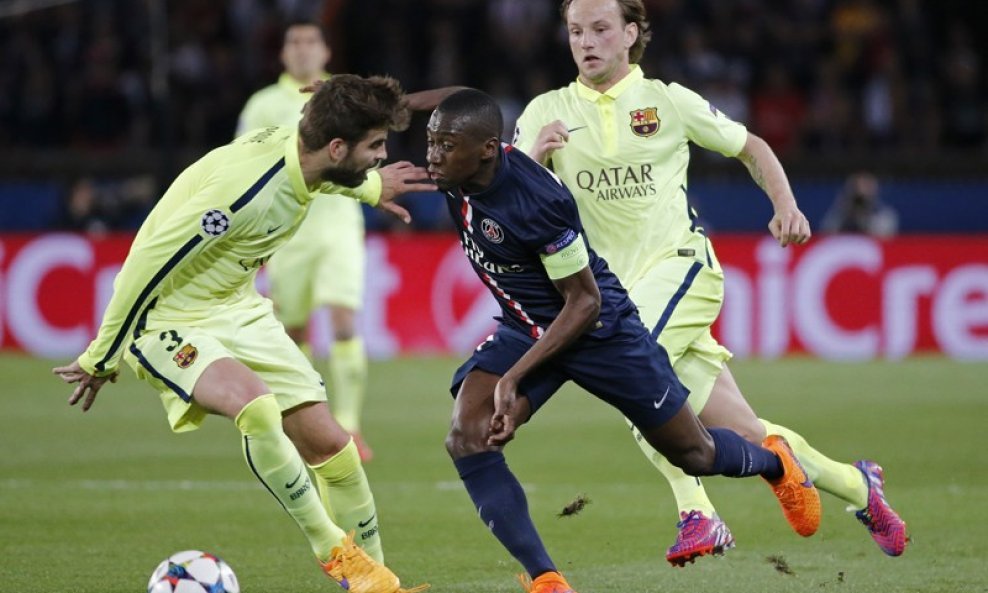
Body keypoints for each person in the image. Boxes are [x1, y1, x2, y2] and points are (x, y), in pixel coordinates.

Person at [512, 0, 908, 566]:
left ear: (630, 33)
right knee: (744, 430)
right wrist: (531, 154)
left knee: (629, 371)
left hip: (681, 267)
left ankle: (696, 511)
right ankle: (858, 486)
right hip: (614, 289)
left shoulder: (667, 101)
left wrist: (786, 204)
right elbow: (512, 198)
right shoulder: (546, 111)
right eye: (576, 31)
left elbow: (752, 146)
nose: (586, 41)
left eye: (600, 29)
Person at [53, 74, 434, 593]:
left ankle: (377, 584)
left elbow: (323, 173)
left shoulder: (307, 149)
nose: (382, 156)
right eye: (375, 147)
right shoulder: (243, 195)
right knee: (256, 407)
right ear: (338, 145)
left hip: (236, 306)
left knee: (334, 446)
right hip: (166, 318)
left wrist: (370, 187)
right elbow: (144, 266)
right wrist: (103, 356)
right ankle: (334, 554)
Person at [429, 88, 820, 593]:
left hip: (599, 330)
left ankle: (775, 462)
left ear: (486, 148)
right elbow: (434, 117)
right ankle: (547, 579)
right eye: (430, 142)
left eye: (444, 144)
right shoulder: (457, 172)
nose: (432, 155)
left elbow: (584, 304)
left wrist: (515, 377)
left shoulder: (540, 201)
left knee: (693, 454)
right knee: (467, 435)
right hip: (526, 326)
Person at [237, 21, 375, 461]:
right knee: (292, 332)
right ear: (282, 55)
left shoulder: (346, 97)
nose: (301, 49)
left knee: (343, 323)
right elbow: (245, 162)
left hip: (338, 224)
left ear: (326, 51)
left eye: (309, 41)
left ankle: (350, 426)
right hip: (287, 232)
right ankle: (301, 423)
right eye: (293, 43)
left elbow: (371, 147)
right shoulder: (262, 105)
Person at [821, 172, 899, 237]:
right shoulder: (840, 213)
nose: (861, 192)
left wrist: (864, 218)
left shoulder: (885, 215)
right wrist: (845, 211)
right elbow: (826, 233)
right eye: (856, 187)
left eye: (866, 187)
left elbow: (886, 238)